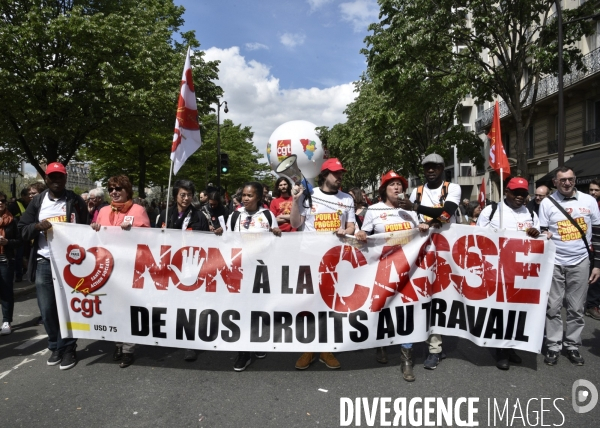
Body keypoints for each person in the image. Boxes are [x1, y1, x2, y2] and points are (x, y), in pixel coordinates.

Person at [18, 162, 88, 370]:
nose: (56, 180)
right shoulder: (38, 201)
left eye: (60, 177)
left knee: (67, 308)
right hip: (44, 261)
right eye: (52, 177)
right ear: (46, 179)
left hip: (69, 264)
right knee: (47, 309)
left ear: (65, 179)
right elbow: (22, 229)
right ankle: (55, 346)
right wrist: (37, 227)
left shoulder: (75, 201)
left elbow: (86, 230)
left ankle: (68, 348)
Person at [290, 158, 356, 370]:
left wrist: (346, 231)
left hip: (336, 260)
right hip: (309, 258)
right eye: (335, 173)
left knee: (331, 304)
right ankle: (309, 348)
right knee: (309, 304)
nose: (339, 177)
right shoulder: (309, 195)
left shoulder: (346, 198)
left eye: (341, 174)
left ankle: (326, 349)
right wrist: (294, 201)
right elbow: (295, 223)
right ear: (324, 175)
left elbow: (352, 225)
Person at [398, 153, 461, 370]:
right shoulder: (417, 191)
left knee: (438, 297)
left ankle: (434, 348)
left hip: (445, 251)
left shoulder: (452, 188)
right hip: (421, 250)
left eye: (435, 167)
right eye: (427, 168)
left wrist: (416, 208)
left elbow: (446, 214)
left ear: (443, 168)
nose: (431, 171)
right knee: (419, 296)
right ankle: (415, 339)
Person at [355, 171, 418, 381]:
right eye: (392, 185)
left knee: (407, 310)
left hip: (408, 268)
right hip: (382, 267)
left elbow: (419, 234)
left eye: (399, 185)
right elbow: (365, 235)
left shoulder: (410, 211)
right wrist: (363, 234)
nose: (397, 188)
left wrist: (424, 227)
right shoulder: (374, 210)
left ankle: (406, 358)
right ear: (384, 190)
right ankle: (381, 344)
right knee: (382, 307)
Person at [538, 166, 600, 366]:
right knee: (553, 307)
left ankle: (572, 345)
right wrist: (543, 234)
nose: (567, 183)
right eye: (562, 180)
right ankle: (554, 346)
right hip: (554, 263)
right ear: (555, 182)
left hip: (580, 261)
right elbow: (542, 230)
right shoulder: (547, 203)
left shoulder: (589, 201)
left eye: (570, 179)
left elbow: (598, 235)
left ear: (575, 180)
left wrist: (597, 265)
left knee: (576, 308)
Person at [476, 177, 540, 370]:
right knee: (500, 312)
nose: (520, 197)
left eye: (523, 193)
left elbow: (541, 237)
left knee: (517, 313)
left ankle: (511, 346)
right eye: (516, 193)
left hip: (522, 272)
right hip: (498, 270)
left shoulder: (530, 212)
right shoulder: (492, 211)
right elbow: (478, 237)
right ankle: (500, 350)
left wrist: (538, 233)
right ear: (507, 192)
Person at [91, 175, 150, 368]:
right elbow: (94, 239)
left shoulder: (138, 210)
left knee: (127, 309)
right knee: (113, 309)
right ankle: (117, 343)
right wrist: (94, 229)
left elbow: (150, 238)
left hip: (130, 269)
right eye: (111, 189)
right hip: (108, 269)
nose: (114, 192)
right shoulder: (103, 211)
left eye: (118, 188)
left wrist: (134, 230)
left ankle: (128, 349)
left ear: (127, 191)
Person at [225, 181, 281, 371]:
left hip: (261, 271)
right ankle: (243, 352)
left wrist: (276, 235)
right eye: (244, 195)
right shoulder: (233, 216)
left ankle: (256, 342)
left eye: (250, 196)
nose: (246, 199)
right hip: (240, 271)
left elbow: (275, 244)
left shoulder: (267, 216)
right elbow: (227, 242)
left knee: (257, 309)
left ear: (258, 197)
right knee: (241, 310)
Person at [156, 180, 209, 362]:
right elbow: (154, 239)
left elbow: (206, 243)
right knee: (172, 302)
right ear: (176, 195)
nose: (186, 199)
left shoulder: (198, 216)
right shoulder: (164, 214)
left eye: (189, 195)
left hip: (190, 266)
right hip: (169, 265)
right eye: (182, 195)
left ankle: (190, 343)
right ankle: (174, 334)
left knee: (189, 305)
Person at [0, 191, 21, 335]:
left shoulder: (12, 221)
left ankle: (7, 321)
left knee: (6, 291)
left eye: (2, 201)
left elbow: (19, 242)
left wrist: (7, 242)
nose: (0, 203)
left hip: (4, 260)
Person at [8, 188, 31, 282]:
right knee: (18, 255)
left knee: (26, 254)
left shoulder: (30, 204)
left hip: (28, 233)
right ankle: (18, 275)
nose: (30, 197)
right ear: (23, 196)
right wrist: (18, 217)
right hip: (18, 234)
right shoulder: (14, 205)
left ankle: (27, 271)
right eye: (28, 196)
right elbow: (10, 218)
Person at [586, 179, 600, 320]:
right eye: (591, 190)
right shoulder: (588, 204)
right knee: (595, 277)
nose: (593, 192)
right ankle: (592, 305)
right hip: (593, 246)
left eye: (596, 190)